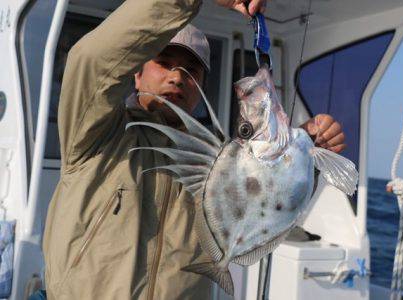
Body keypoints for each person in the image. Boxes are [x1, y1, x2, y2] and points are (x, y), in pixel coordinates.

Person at [42, 0, 346, 299]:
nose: (177, 77)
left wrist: (304, 151)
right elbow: (90, 61)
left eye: (191, 71)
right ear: (136, 72)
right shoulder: (95, 132)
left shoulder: (217, 161)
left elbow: (271, 196)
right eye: (163, 62)